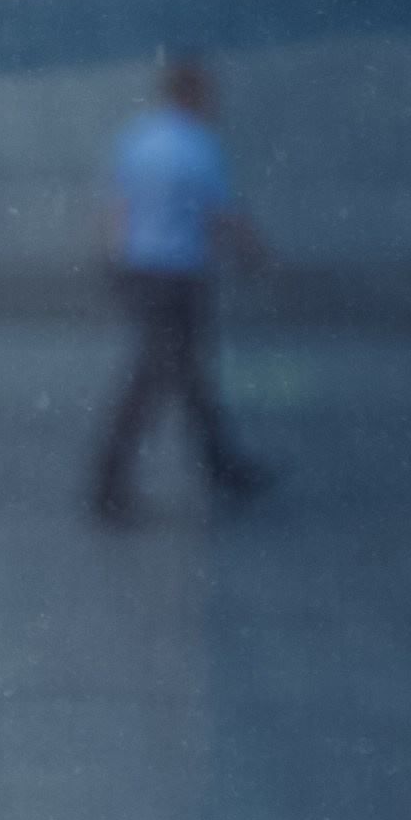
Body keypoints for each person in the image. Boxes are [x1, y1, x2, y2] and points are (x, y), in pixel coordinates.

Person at [88, 56, 272, 526]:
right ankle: (109, 483)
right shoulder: (199, 145)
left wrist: (114, 266)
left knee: (186, 373)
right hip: (180, 275)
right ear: (194, 95)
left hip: (139, 270)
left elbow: (116, 208)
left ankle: (219, 462)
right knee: (156, 376)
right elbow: (220, 213)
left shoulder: (137, 137)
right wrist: (254, 255)